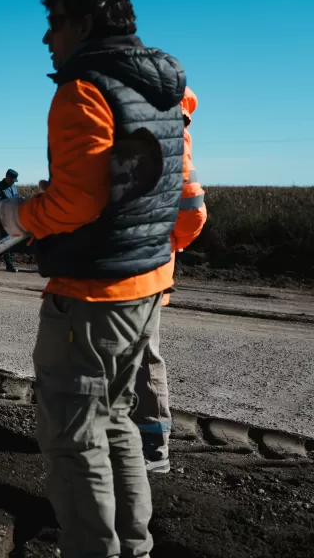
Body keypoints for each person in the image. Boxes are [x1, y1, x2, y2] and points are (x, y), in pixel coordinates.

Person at [0, 0, 186, 557]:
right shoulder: (163, 88)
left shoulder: (85, 88)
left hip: (93, 294)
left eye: (54, 24)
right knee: (120, 421)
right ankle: (134, 546)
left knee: (74, 440)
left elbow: (77, 199)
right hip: (147, 283)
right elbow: (180, 187)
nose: (46, 37)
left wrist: (17, 217)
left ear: (83, 24)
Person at [131, 85, 207, 473]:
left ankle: (154, 446)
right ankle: (134, 439)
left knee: (144, 358)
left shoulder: (169, 143)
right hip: (133, 267)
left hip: (145, 270)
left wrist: (165, 242)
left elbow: (193, 209)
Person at [0, 168, 20, 272]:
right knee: (7, 239)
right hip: (2, 217)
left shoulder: (13, 187)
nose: (13, 182)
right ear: (7, 177)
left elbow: (16, 198)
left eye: (14, 181)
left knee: (7, 239)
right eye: (12, 180)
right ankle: (9, 265)